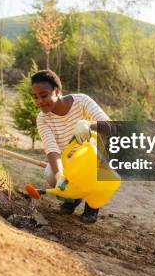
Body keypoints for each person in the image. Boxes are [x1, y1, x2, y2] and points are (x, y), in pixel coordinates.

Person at [31, 69, 112, 224]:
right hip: (68, 161)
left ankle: (91, 206)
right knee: (50, 173)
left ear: (57, 91)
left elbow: (110, 126)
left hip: (91, 158)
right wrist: (59, 175)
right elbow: (51, 148)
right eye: (35, 97)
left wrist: (88, 124)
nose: (40, 101)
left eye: (44, 95)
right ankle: (72, 200)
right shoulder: (42, 119)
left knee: (97, 167)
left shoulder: (81, 101)